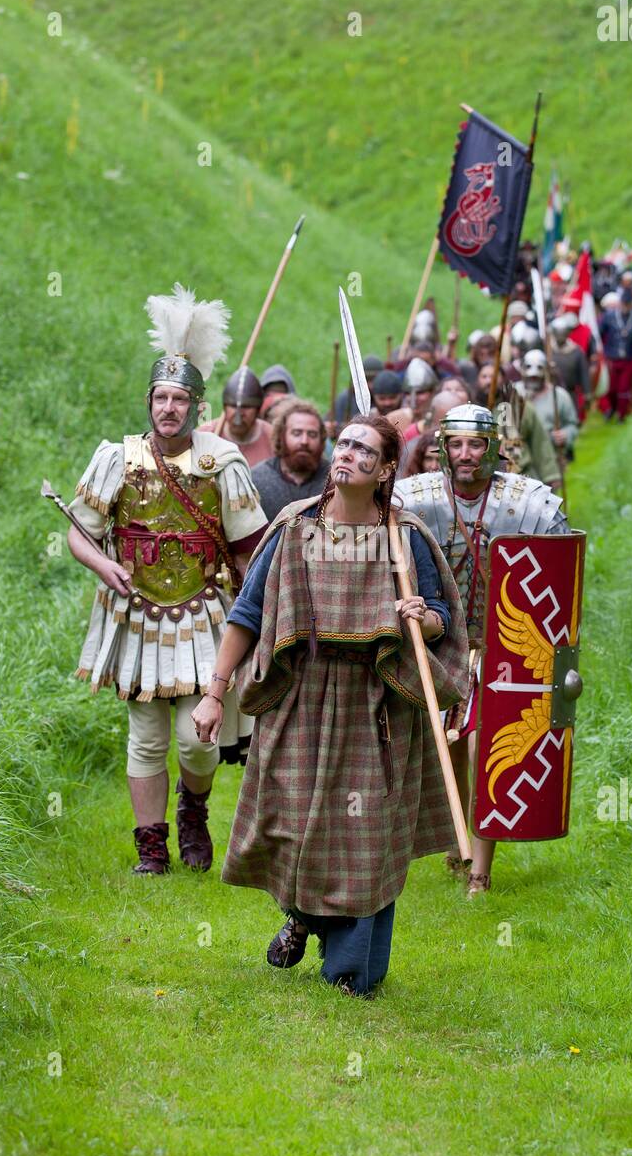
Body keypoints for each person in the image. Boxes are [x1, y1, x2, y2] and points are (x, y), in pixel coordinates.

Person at [192, 415, 469, 997]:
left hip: (378, 706)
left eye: (362, 449)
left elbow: (444, 621)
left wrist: (426, 614)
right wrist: (216, 692)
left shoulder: (405, 536)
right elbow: (247, 614)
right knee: (295, 823)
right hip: (301, 696)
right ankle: (306, 914)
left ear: (386, 469)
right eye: (342, 443)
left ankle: (351, 973)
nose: (345, 454)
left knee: (366, 838)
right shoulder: (293, 528)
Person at [67, 283, 267, 876]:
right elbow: (81, 530)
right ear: (149, 401)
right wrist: (102, 563)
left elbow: (249, 545)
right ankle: (151, 849)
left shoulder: (220, 460)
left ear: (198, 406)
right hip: (136, 614)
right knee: (147, 739)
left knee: (196, 739)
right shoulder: (117, 458)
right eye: (161, 397)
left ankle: (194, 810)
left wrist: (254, 618)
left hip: (204, 612)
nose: (169, 408)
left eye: (181, 398)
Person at [396, 404, 568, 896]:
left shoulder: (528, 504)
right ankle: (458, 837)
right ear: (443, 447)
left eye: (475, 444)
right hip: (446, 641)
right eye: (456, 444)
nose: (465, 454)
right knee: (450, 746)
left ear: (493, 447)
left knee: (485, 744)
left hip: (504, 648)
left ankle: (480, 871)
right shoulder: (416, 498)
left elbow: (556, 576)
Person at [250, 398, 331, 523]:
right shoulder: (256, 479)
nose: (304, 441)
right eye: (297, 433)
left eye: (312, 434)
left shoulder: (334, 482)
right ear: (281, 437)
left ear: (321, 440)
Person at [599, 286, 632, 421]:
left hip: (629, 358)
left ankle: (622, 415)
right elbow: (599, 333)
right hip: (611, 357)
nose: (625, 307)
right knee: (610, 388)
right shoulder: (609, 317)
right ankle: (610, 409)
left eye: (628, 304)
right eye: (623, 304)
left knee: (623, 388)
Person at [202, 368, 274, 466]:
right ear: (225, 407)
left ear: (258, 410)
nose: (239, 413)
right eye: (233, 406)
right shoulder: (206, 435)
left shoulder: (272, 437)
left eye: (246, 407)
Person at [517, 349, 579, 461]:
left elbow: (572, 425)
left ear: (545, 372)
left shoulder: (560, 396)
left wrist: (565, 434)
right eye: (530, 377)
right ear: (522, 370)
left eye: (536, 377)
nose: (533, 379)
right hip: (518, 456)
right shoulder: (512, 393)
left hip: (549, 456)